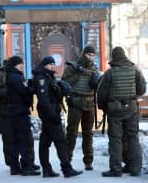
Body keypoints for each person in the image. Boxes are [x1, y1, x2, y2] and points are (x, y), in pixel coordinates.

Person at [97, 46, 146, 177]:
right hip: (131, 108)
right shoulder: (135, 71)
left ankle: (116, 169)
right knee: (132, 137)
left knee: (115, 139)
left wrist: (104, 107)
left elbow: (101, 94)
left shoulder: (109, 73)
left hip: (115, 111)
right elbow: (141, 90)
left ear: (114, 57)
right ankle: (135, 169)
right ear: (124, 56)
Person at [32, 55, 83, 178]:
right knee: (60, 141)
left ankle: (47, 169)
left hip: (51, 111)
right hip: (49, 113)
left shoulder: (48, 76)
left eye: (53, 64)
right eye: (50, 64)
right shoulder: (41, 78)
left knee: (45, 141)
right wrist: (53, 114)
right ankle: (66, 169)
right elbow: (44, 99)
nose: (52, 66)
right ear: (44, 65)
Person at [62, 46, 100, 170]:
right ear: (84, 54)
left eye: (93, 55)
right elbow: (64, 83)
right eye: (89, 54)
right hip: (75, 102)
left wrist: (96, 81)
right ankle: (67, 160)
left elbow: (98, 85)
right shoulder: (72, 67)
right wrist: (78, 74)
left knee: (88, 134)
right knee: (72, 132)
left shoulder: (94, 68)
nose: (91, 57)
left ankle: (88, 161)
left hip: (89, 104)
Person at [4, 55, 40, 176]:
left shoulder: (11, 75)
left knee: (15, 140)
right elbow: (24, 91)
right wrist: (32, 87)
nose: (22, 66)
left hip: (14, 111)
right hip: (20, 111)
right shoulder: (16, 77)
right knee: (24, 139)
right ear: (15, 65)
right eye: (20, 64)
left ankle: (15, 167)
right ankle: (26, 167)